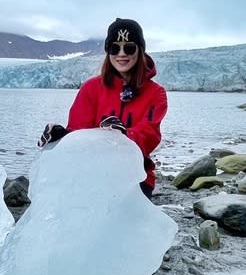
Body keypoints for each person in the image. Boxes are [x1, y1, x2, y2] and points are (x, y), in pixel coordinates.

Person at [37, 18, 168, 197]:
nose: (121, 54)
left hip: (135, 178)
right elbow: (79, 131)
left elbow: (149, 136)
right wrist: (61, 137)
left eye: (129, 47)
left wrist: (123, 136)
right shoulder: (91, 88)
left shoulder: (155, 93)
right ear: (108, 52)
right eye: (115, 48)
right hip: (92, 175)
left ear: (140, 50)